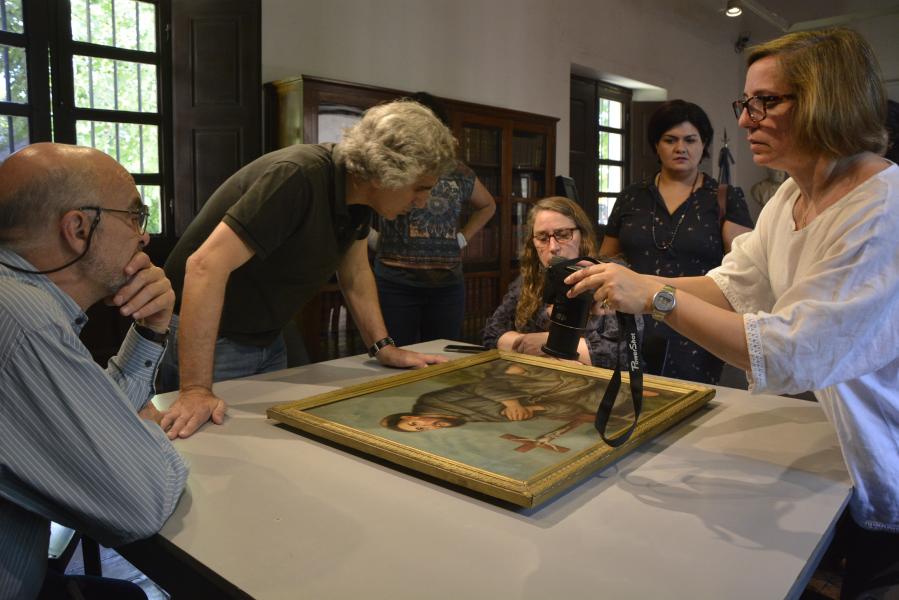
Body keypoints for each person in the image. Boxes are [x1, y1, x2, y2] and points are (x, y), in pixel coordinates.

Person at [565, 28, 898, 598]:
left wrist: (654, 297)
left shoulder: (882, 209)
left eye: (767, 102)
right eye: (745, 103)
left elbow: (794, 348)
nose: (746, 120)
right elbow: (732, 283)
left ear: (828, 99)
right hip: (837, 443)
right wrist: (636, 281)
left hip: (884, 447)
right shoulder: (791, 198)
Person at [160, 100, 457, 440]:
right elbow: (204, 266)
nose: (422, 201)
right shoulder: (298, 176)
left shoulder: (357, 200)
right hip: (214, 339)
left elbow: (356, 274)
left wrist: (383, 347)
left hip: (266, 334)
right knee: (217, 450)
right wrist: (196, 388)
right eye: (421, 187)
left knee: (273, 442)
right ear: (386, 172)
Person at [0, 143, 188, 599]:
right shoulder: (27, 322)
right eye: (134, 216)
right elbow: (139, 502)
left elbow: (90, 424)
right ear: (78, 228)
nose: (143, 237)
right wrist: (144, 433)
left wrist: (152, 329)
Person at [600, 100, 754, 384]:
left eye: (690, 140)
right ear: (656, 145)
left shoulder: (723, 197)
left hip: (696, 326)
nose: (680, 148)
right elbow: (608, 259)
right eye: (670, 140)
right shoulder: (631, 196)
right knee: (630, 400)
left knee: (693, 408)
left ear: (703, 144)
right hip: (633, 324)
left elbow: (744, 270)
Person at [370, 92, 496, 346]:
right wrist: (376, 237)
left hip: (447, 286)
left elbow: (488, 205)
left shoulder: (459, 171)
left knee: (445, 357)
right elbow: (361, 203)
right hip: (395, 284)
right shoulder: (391, 165)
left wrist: (463, 237)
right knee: (394, 355)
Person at [482, 196, 635, 368]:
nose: (553, 247)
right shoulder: (531, 278)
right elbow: (492, 334)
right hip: (538, 381)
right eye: (542, 238)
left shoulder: (610, 276)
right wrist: (527, 343)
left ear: (582, 236)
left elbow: (621, 353)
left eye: (563, 235)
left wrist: (546, 344)